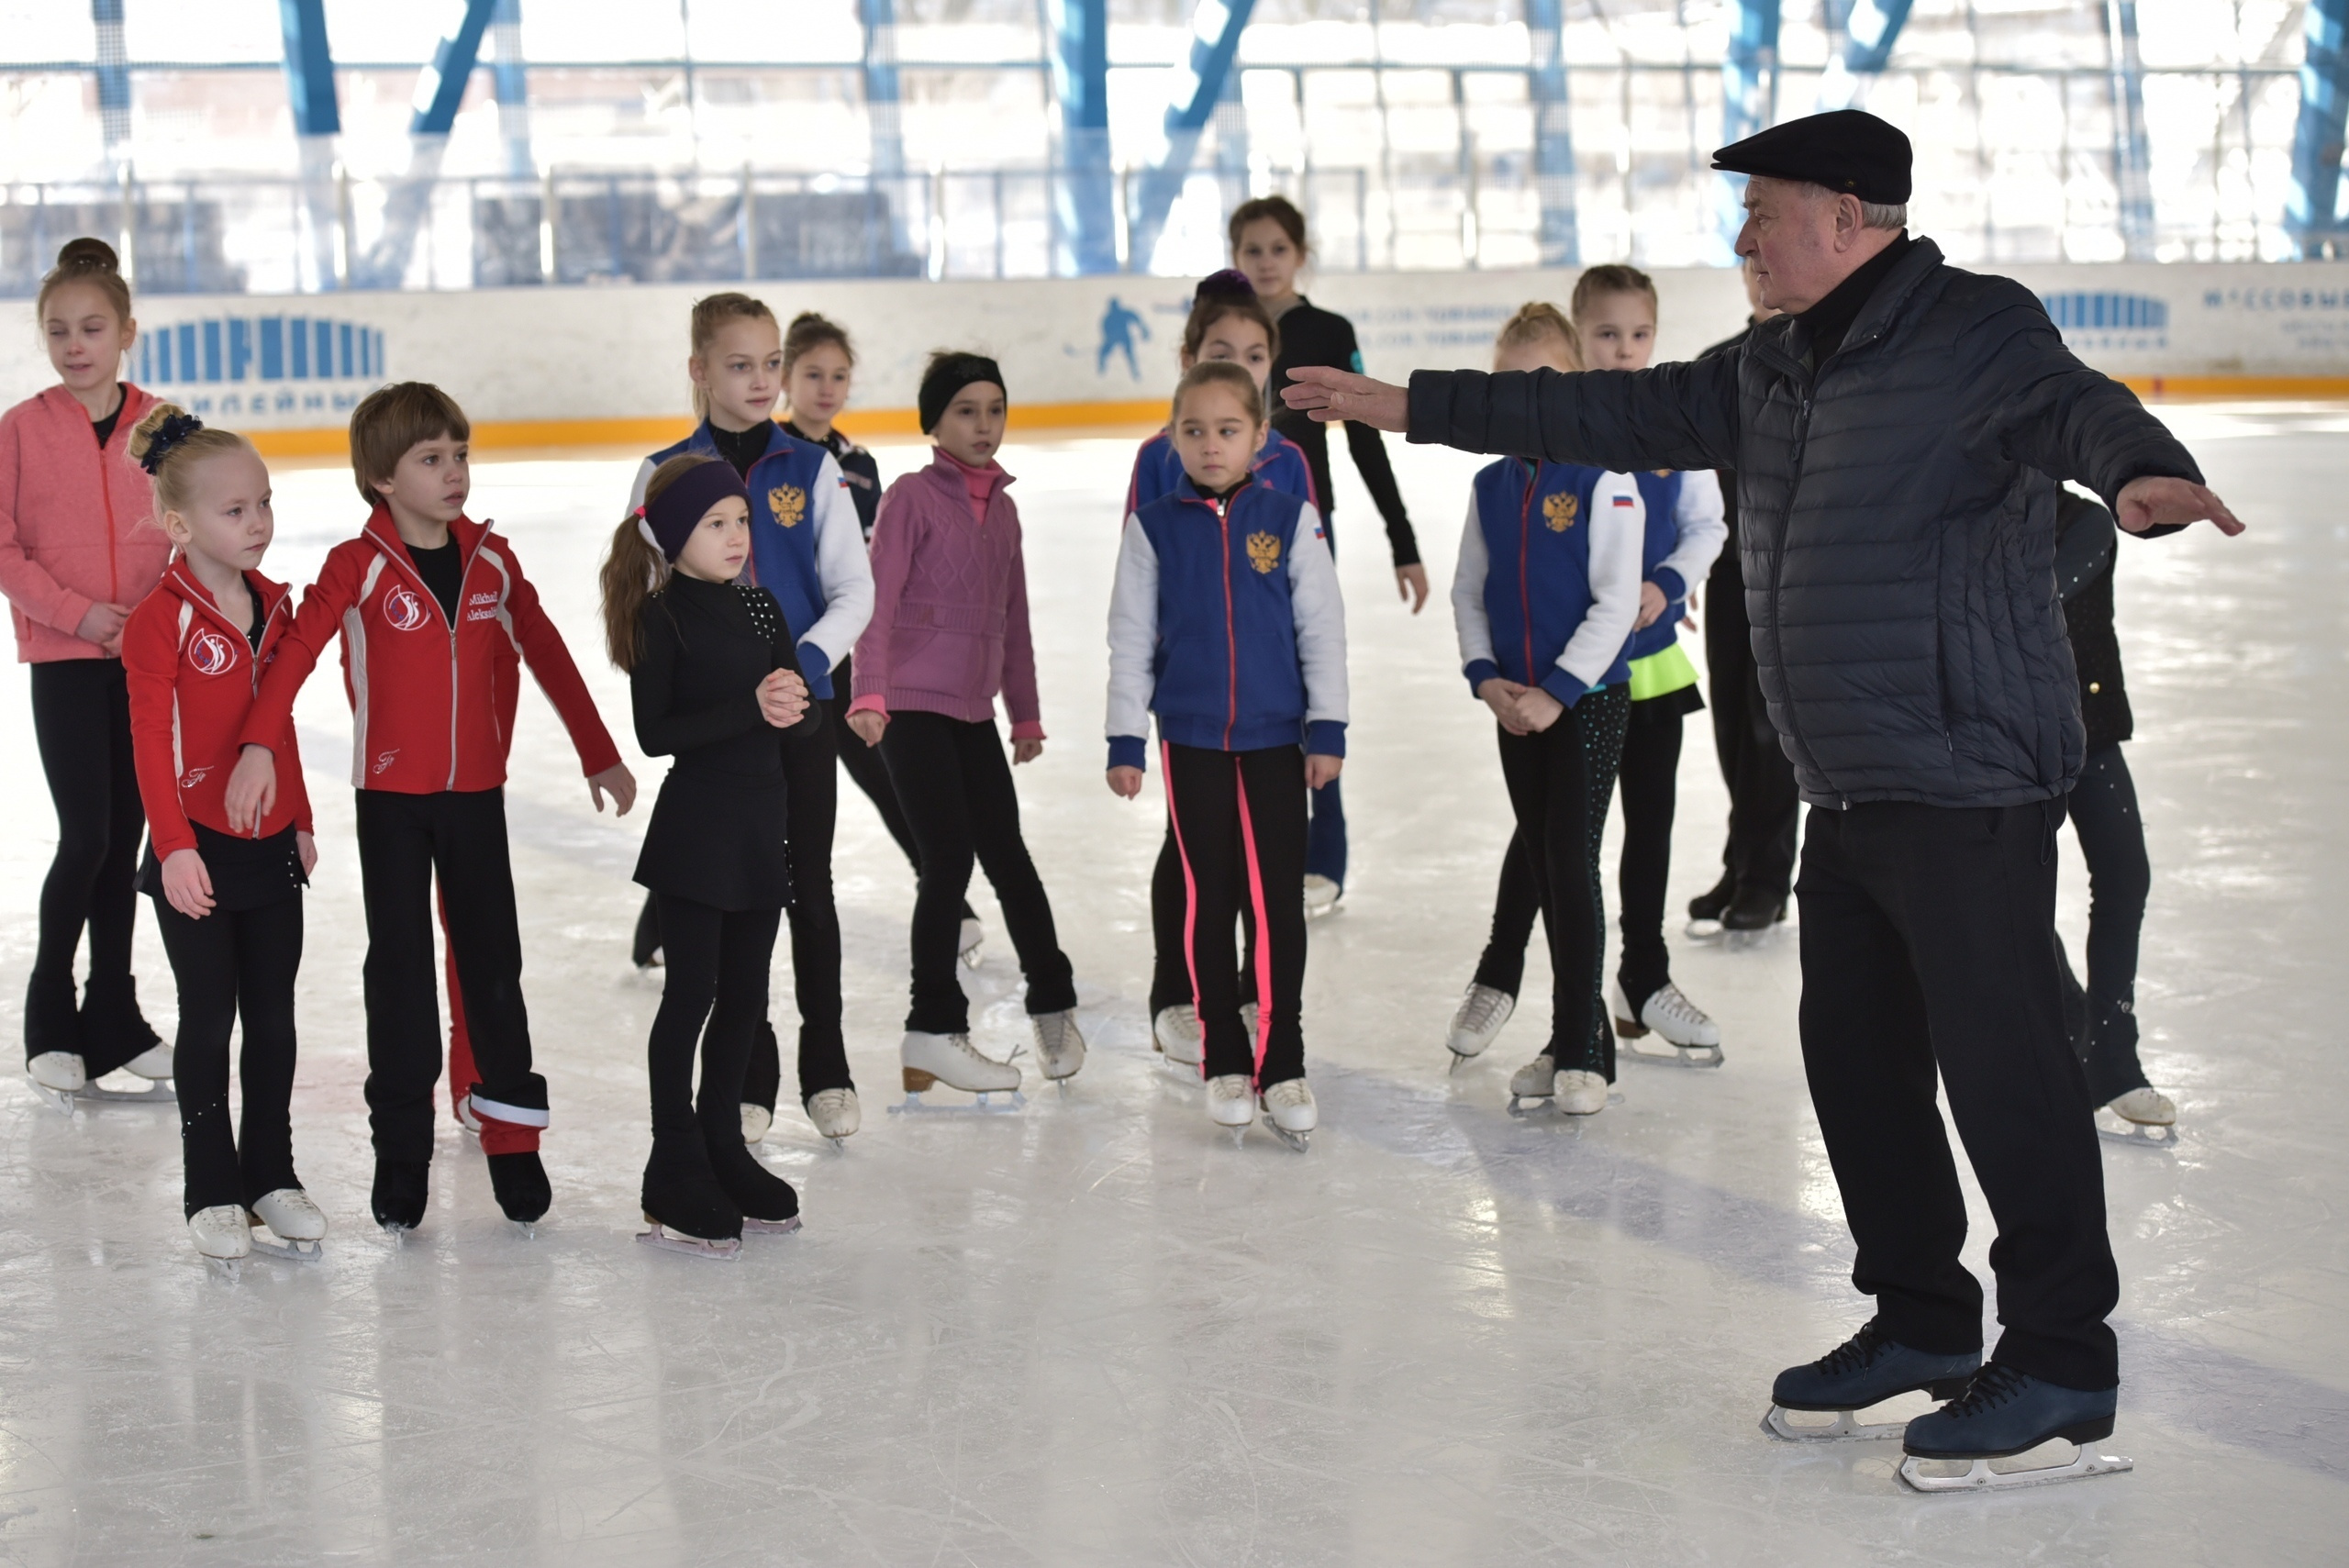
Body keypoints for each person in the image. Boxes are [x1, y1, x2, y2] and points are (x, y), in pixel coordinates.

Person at [1282, 108, 2244, 1483]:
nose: (1744, 241)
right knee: (1858, 1067)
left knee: (2008, 1074)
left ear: (1850, 219)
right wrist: (1405, 407)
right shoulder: (1769, 367)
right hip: (1846, 780)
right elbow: (1598, 408)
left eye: (1766, 215)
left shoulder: (1976, 331)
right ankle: (1919, 1319)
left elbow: (2079, 407)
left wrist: (2145, 469)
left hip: (1964, 769)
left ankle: (2062, 1361)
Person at [224, 382, 637, 1233]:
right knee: (402, 976)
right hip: (392, 806)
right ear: (381, 475)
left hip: (476, 799)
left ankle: (514, 1143)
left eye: (460, 455)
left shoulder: (491, 559)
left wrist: (597, 750)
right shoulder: (357, 564)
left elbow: (548, 648)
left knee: (494, 970)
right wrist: (261, 743)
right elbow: (294, 657)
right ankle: (400, 1152)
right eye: (431, 459)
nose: (455, 473)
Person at [1441, 282, 1729, 1072]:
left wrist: (1664, 585)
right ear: (1579, 339)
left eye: (1638, 335)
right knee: (1561, 833)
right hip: (1569, 666)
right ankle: (1509, 973)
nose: (1623, 351)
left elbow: (1707, 525)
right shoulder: (1523, 469)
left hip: (1649, 662)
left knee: (1645, 827)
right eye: (1605, 335)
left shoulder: (1667, 422)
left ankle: (1642, 977)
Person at [625, 294, 874, 1147]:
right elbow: (644, 602)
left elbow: (855, 589)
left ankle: (828, 1060)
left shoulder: (812, 467)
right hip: (718, 734)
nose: (763, 380)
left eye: (772, 362)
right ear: (698, 370)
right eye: (740, 364)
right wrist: (725, 696)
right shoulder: (663, 473)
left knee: (810, 881)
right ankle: (750, 1068)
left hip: (802, 715)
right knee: (737, 896)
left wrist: (798, 674)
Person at [1106, 361, 1347, 1149]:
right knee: (1211, 898)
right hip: (1192, 739)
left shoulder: (1290, 517)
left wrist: (1330, 727)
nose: (1211, 445)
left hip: (1279, 738)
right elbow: (1131, 639)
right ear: (1173, 437)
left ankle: (1283, 1059)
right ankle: (1224, 1056)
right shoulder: (1154, 527)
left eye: (1229, 429)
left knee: (1276, 904)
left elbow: (1322, 627)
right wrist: (1125, 736)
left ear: (1261, 438)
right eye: (1194, 430)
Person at [118, 406, 326, 1269]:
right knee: (210, 1021)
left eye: (265, 504)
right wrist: (173, 846)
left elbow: (276, 729)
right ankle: (212, 1185)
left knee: (273, 1022)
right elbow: (149, 745)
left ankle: (271, 1173)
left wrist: (304, 816)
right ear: (179, 524)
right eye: (235, 509)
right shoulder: (157, 620)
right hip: (194, 851)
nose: (259, 523)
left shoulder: (275, 606)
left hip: (269, 845)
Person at [847, 353, 1085, 1101]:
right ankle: (934, 1024)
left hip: (974, 711)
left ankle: (1053, 1001)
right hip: (912, 707)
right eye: (965, 411)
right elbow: (876, 604)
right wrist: (870, 694)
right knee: (946, 860)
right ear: (934, 422)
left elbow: (1013, 620)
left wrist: (1028, 711)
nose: (984, 425)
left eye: (995, 409)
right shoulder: (911, 498)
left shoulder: (1006, 511)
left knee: (1009, 858)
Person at [602, 453, 817, 1256]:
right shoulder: (662, 616)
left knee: (746, 997)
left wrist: (797, 709)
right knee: (690, 994)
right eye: (714, 523)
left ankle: (723, 1141)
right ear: (671, 535)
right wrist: (750, 707)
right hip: (698, 832)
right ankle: (673, 1159)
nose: (734, 537)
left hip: (763, 827)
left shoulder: (761, 609)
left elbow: (798, 709)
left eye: (741, 521)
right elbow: (657, 735)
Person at [1443, 309, 1647, 1118]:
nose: (1526, 399)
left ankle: (1580, 1047)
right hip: (1514, 707)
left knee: (1569, 866)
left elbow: (1617, 599)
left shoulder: (1607, 477)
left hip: (1587, 703)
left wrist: (1557, 691)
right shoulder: (1490, 483)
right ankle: (1575, 1040)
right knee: (1545, 856)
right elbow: (1468, 589)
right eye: (1511, 384)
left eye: (1545, 382)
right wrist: (1488, 680)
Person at [1124, 271, 1317, 1072]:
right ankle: (1176, 989)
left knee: (1265, 858)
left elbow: (1313, 585)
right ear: (1187, 356)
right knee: (1195, 850)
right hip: (1194, 698)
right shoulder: (1159, 458)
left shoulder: (1290, 465)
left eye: (1254, 352)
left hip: (1267, 698)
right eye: (1218, 351)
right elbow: (1137, 583)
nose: (1239, 362)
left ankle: (1249, 990)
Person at [0, 239, 174, 1106]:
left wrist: (148, 619)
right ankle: (48, 1015)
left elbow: (197, 533)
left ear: (126, 332)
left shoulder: (166, 427)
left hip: (145, 666)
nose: (76, 345)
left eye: (93, 327)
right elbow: (4, 547)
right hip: (66, 660)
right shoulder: (21, 429)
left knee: (127, 842)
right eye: (59, 329)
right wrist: (76, 613)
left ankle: (116, 1016)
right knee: (88, 837)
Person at [778, 310, 989, 983]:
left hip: (843, 654)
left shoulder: (859, 465)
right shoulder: (767, 454)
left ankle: (947, 898)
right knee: (752, 792)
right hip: (779, 655)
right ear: (785, 377)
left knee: (886, 776)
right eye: (813, 374)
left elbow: (872, 564)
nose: (827, 387)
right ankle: (662, 920)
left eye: (839, 375)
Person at [1230, 195, 1420, 914]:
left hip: (1307, 529)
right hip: (1221, 529)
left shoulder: (1326, 331)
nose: (1266, 262)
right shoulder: (1224, 328)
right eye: (1253, 250)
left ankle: (1326, 843)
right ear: (1235, 256)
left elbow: (1365, 437)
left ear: (1300, 254)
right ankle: (1254, 836)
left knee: (1312, 676)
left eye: (1278, 248)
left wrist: (1401, 540)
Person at [2052, 489, 2176, 1132]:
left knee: (2126, 873)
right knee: (2009, 895)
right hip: (2010, 741)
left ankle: (2112, 1052)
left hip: (2090, 726)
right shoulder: (1962, 517)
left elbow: (2037, 594)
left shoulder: (2084, 522)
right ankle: (2075, 1027)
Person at [1689, 254, 1798, 937]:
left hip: (1794, 575)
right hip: (1730, 568)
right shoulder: (1719, 363)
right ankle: (1740, 861)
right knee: (1731, 722)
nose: (1763, 272)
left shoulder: (1822, 361)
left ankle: (1768, 877)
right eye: (1752, 263)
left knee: (1771, 730)